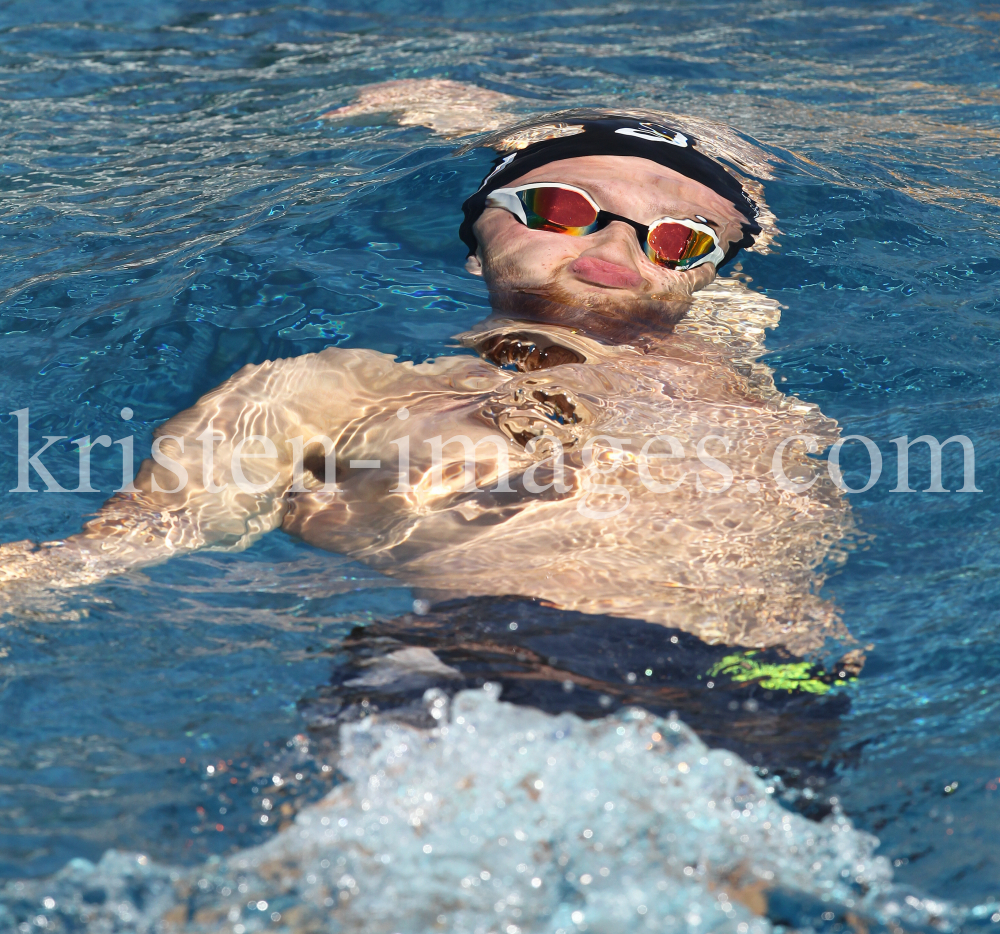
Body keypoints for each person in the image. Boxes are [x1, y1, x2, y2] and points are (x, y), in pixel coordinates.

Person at [0, 88, 855, 657]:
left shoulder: (731, 357)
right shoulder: (323, 393)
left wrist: (501, 122)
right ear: (479, 228)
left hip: (773, 683)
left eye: (678, 239)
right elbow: (110, 554)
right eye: (564, 211)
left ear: (706, 275)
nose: (618, 246)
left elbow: (744, 197)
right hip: (497, 661)